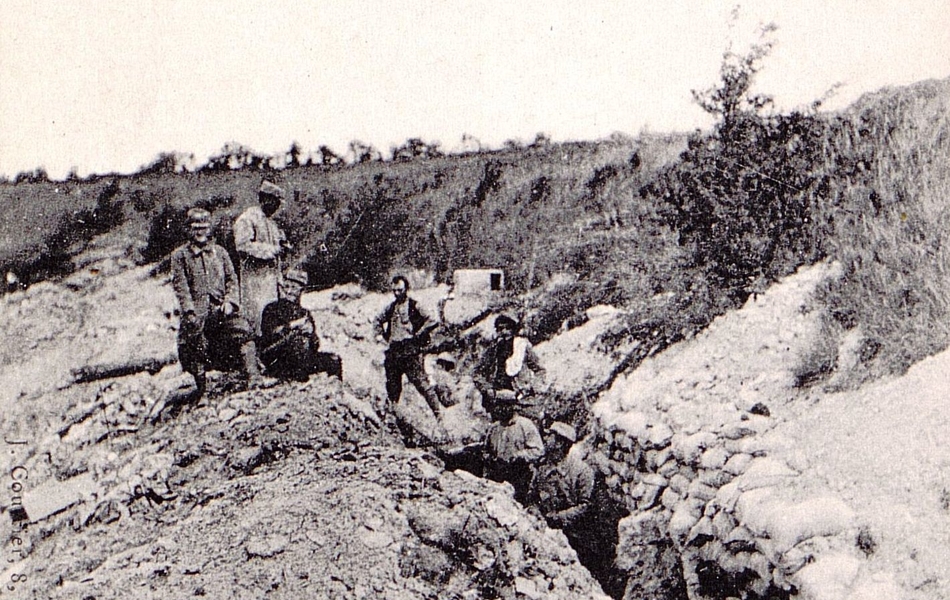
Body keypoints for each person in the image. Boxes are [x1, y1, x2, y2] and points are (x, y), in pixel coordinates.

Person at [170, 208, 262, 397]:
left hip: (222, 307)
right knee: (195, 343)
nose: (200, 231)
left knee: (243, 330)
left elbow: (232, 280)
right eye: (196, 227)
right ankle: (204, 390)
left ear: (210, 228)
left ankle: (253, 377)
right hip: (197, 311)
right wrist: (189, 312)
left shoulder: (220, 253)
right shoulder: (180, 256)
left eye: (204, 227)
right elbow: (181, 287)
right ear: (188, 229)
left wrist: (230, 302)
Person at [374, 275, 446, 419]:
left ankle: (439, 414)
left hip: (410, 349)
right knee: (392, 384)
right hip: (394, 349)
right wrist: (379, 335)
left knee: (421, 383)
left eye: (400, 290)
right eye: (394, 290)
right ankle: (394, 414)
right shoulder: (391, 307)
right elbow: (377, 320)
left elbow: (432, 320)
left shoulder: (415, 305)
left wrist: (419, 334)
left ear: (406, 289)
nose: (397, 293)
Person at [259, 269, 343, 382]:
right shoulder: (272, 308)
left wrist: (311, 333)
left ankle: (335, 392)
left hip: (302, 358)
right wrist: (292, 325)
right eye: (286, 286)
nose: (288, 291)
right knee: (297, 342)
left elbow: (315, 346)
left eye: (294, 288)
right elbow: (270, 334)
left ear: (301, 291)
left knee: (334, 360)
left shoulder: (305, 313)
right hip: (278, 357)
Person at [234, 180, 290, 337]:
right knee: (255, 321)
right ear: (265, 199)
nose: (277, 207)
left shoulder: (272, 224)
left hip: (271, 281)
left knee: (272, 321)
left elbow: (278, 252)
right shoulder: (247, 219)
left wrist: (283, 247)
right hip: (254, 282)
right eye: (275, 202)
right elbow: (243, 246)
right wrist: (272, 250)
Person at [473, 314, 546, 417]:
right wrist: (487, 389)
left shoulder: (522, 346)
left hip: (520, 399)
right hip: (499, 399)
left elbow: (540, 370)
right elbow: (476, 373)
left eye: (507, 328)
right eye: (500, 329)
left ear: (513, 329)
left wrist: (531, 387)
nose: (504, 332)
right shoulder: (492, 350)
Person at [531, 422, 595, 532]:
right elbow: (533, 495)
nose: (545, 439)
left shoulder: (582, 471)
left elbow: (585, 506)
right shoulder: (542, 467)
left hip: (574, 532)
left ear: (559, 443)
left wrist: (558, 517)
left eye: (550, 435)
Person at [483, 395, 544, 504]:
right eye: (498, 405)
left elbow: (538, 450)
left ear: (512, 407)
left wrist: (519, 456)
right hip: (498, 475)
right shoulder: (494, 428)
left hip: (519, 475)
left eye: (504, 406)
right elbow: (486, 450)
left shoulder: (525, 425)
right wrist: (490, 459)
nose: (499, 409)